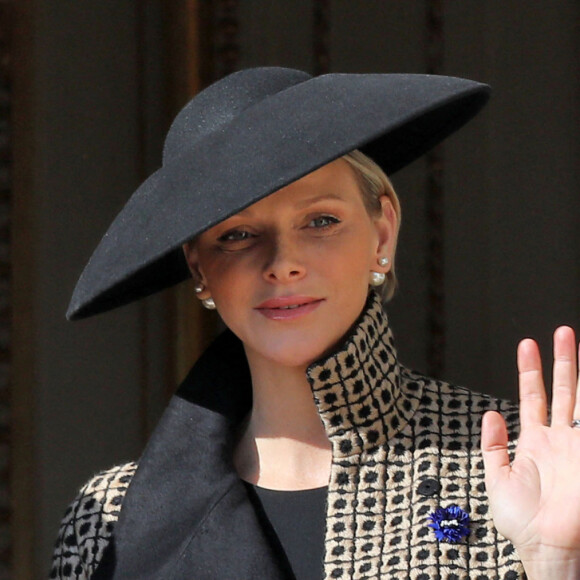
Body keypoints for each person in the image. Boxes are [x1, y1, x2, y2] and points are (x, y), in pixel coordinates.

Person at [50, 67, 580, 580]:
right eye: (236, 235)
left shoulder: (522, 468)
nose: (284, 263)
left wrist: (556, 565)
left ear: (382, 233)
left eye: (321, 221)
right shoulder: (110, 521)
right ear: (199, 267)